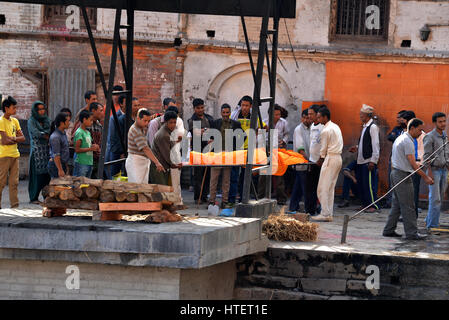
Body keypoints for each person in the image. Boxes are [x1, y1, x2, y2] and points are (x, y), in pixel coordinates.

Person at [383, 118, 434, 240]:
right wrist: (426, 177)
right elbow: (412, 163)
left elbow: (407, 160)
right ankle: (411, 233)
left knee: (397, 205)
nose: (421, 133)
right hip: (402, 175)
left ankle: (388, 230)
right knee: (408, 205)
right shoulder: (408, 141)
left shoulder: (401, 138)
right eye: (419, 130)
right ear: (412, 128)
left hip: (396, 173)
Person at [230, 95, 265, 203]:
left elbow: (264, 127)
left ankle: (243, 197)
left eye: (246, 105)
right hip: (237, 148)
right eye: (242, 105)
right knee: (234, 174)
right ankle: (232, 199)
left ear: (250, 106)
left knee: (246, 175)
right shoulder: (235, 115)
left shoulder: (254, 116)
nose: (244, 107)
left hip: (249, 149)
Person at [311, 106, 343, 222]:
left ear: (325, 117)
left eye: (319, 117)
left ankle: (325, 213)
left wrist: (320, 160)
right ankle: (328, 213)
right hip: (338, 158)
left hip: (330, 158)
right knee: (330, 187)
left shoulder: (326, 130)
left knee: (323, 187)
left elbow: (323, 149)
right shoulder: (336, 126)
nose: (318, 120)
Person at [209, 104, 243, 209]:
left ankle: (224, 201)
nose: (225, 114)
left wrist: (236, 146)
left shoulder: (235, 124)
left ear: (230, 112)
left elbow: (243, 136)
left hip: (228, 155)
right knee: (214, 180)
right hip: (217, 155)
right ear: (221, 113)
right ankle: (212, 201)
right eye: (223, 112)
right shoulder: (215, 123)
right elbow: (211, 137)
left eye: (227, 112)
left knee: (226, 180)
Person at [348, 104, 380, 213]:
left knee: (369, 185)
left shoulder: (373, 127)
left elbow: (375, 145)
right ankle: (365, 204)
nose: (360, 116)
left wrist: (373, 160)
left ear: (368, 115)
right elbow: (365, 143)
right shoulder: (365, 126)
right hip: (361, 160)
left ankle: (373, 205)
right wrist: (357, 147)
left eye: (362, 114)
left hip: (368, 161)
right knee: (362, 184)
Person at [258, 104, 288, 204]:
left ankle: (281, 199)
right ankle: (261, 196)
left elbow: (287, 134)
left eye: (279, 114)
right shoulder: (264, 123)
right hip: (266, 149)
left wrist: (283, 141)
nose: (277, 116)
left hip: (279, 149)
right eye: (275, 114)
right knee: (264, 174)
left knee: (279, 174)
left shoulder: (284, 122)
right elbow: (261, 137)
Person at [424, 112, 449, 230]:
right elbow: (427, 157)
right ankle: (432, 226)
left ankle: (429, 220)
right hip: (434, 171)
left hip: (444, 170)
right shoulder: (430, 137)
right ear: (435, 123)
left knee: (439, 198)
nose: (443, 124)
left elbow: (446, 154)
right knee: (435, 199)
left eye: (444, 121)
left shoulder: (445, 135)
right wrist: (429, 173)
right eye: (440, 122)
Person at [126, 108, 164, 184]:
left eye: (148, 121)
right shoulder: (135, 130)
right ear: (138, 118)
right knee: (136, 188)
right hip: (135, 161)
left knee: (143, 188)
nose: (147, 123)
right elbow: (145, 149)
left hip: (142, 161)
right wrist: (157, 162)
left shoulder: (141, 128)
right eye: (145, 121)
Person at [0, 96, 26, 209]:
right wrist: (15, 139)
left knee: (14, 183)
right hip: (3, 156)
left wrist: (12, 138)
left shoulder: (15, 121)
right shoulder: (1, 121)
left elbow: (23, 138)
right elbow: (5, 141)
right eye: (13, 108)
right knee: (1, 183)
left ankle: (14, 206)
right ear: (6, 108)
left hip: (15, 155)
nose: (15, 110)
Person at [188, 98, 215, 204]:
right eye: (198, 108)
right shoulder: (192, 120)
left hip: (208, 150)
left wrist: (210, 137)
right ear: (194, 109)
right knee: (198, 175)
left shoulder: (209, 118)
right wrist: (204, 131)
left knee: (207, 174)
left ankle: (204, 196)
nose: (200, 110)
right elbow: (196, 133)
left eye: (202, 107)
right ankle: (197, 197)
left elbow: (212, 131)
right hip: (197, 150)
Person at [27, 101, 51, 204]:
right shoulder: (31, 121)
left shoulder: (47, 120)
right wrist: (44, 134)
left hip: (46, 152)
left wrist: (46, 134)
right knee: (36, 176)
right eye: (39, 110)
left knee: (46, 175)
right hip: (36, 153)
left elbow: (50, 129)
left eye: (43, 109)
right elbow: (35, 132)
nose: (41, 111)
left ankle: (46, 196)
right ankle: (34, 197)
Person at [150, 111, 182, 185]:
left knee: (164, 191)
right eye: (171, 122)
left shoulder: (169, 131)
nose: (173, 125)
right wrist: (174, 164)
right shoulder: (164, 135)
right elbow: (167, 154)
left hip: (163, 165)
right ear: (165, 122)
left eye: (174, 122)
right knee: (161, 191)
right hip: (158, 167)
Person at [289, 108, 311, 212]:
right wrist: (309, 160)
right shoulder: (298, 129)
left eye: (308, 118)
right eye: (305, 118)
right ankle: (308, 209)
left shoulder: (313, 128)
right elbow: (300, 148)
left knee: (298, 187)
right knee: (305, 188)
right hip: (302, 162)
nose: (307, 120)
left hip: (308, 163)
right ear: (302, 118)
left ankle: (293, 207)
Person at [305, 105, 324, 216]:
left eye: (311, 114)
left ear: (317, 114)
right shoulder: (312, 126)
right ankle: (310, 209)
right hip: (312, 161)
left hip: (320, 162)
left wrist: (321, 159)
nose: (309, 116)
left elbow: (324, 144)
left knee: (320, 187)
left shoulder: (323, 127)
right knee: (310, 187)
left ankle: (321, 208)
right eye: (308, 113)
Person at [73, 110, 99, 177]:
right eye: (90, 120)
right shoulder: (79, 132)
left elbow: (88, 145)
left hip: (89, 162)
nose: (92, 122)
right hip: (81, 163)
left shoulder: (87, 132)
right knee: (79, 184)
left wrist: (94, 147)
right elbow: (77, 150)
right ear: (84, 120)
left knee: (86, 184)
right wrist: (90, 148)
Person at [106, 94, 126, 178]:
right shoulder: (114, 118)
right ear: (121, 104)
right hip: (116, 152)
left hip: (126, 152)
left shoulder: (132, 116)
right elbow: (113, 137)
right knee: (115, 176)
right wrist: (120, 151)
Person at [48, 112, 71, 178]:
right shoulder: (55, 137)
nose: (69, 123)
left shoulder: (63, 134)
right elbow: (56, 155)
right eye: (68, 121)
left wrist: (66, 166)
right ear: (61, 123)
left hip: (62, 164)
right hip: (56, 165)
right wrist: (60, 170)